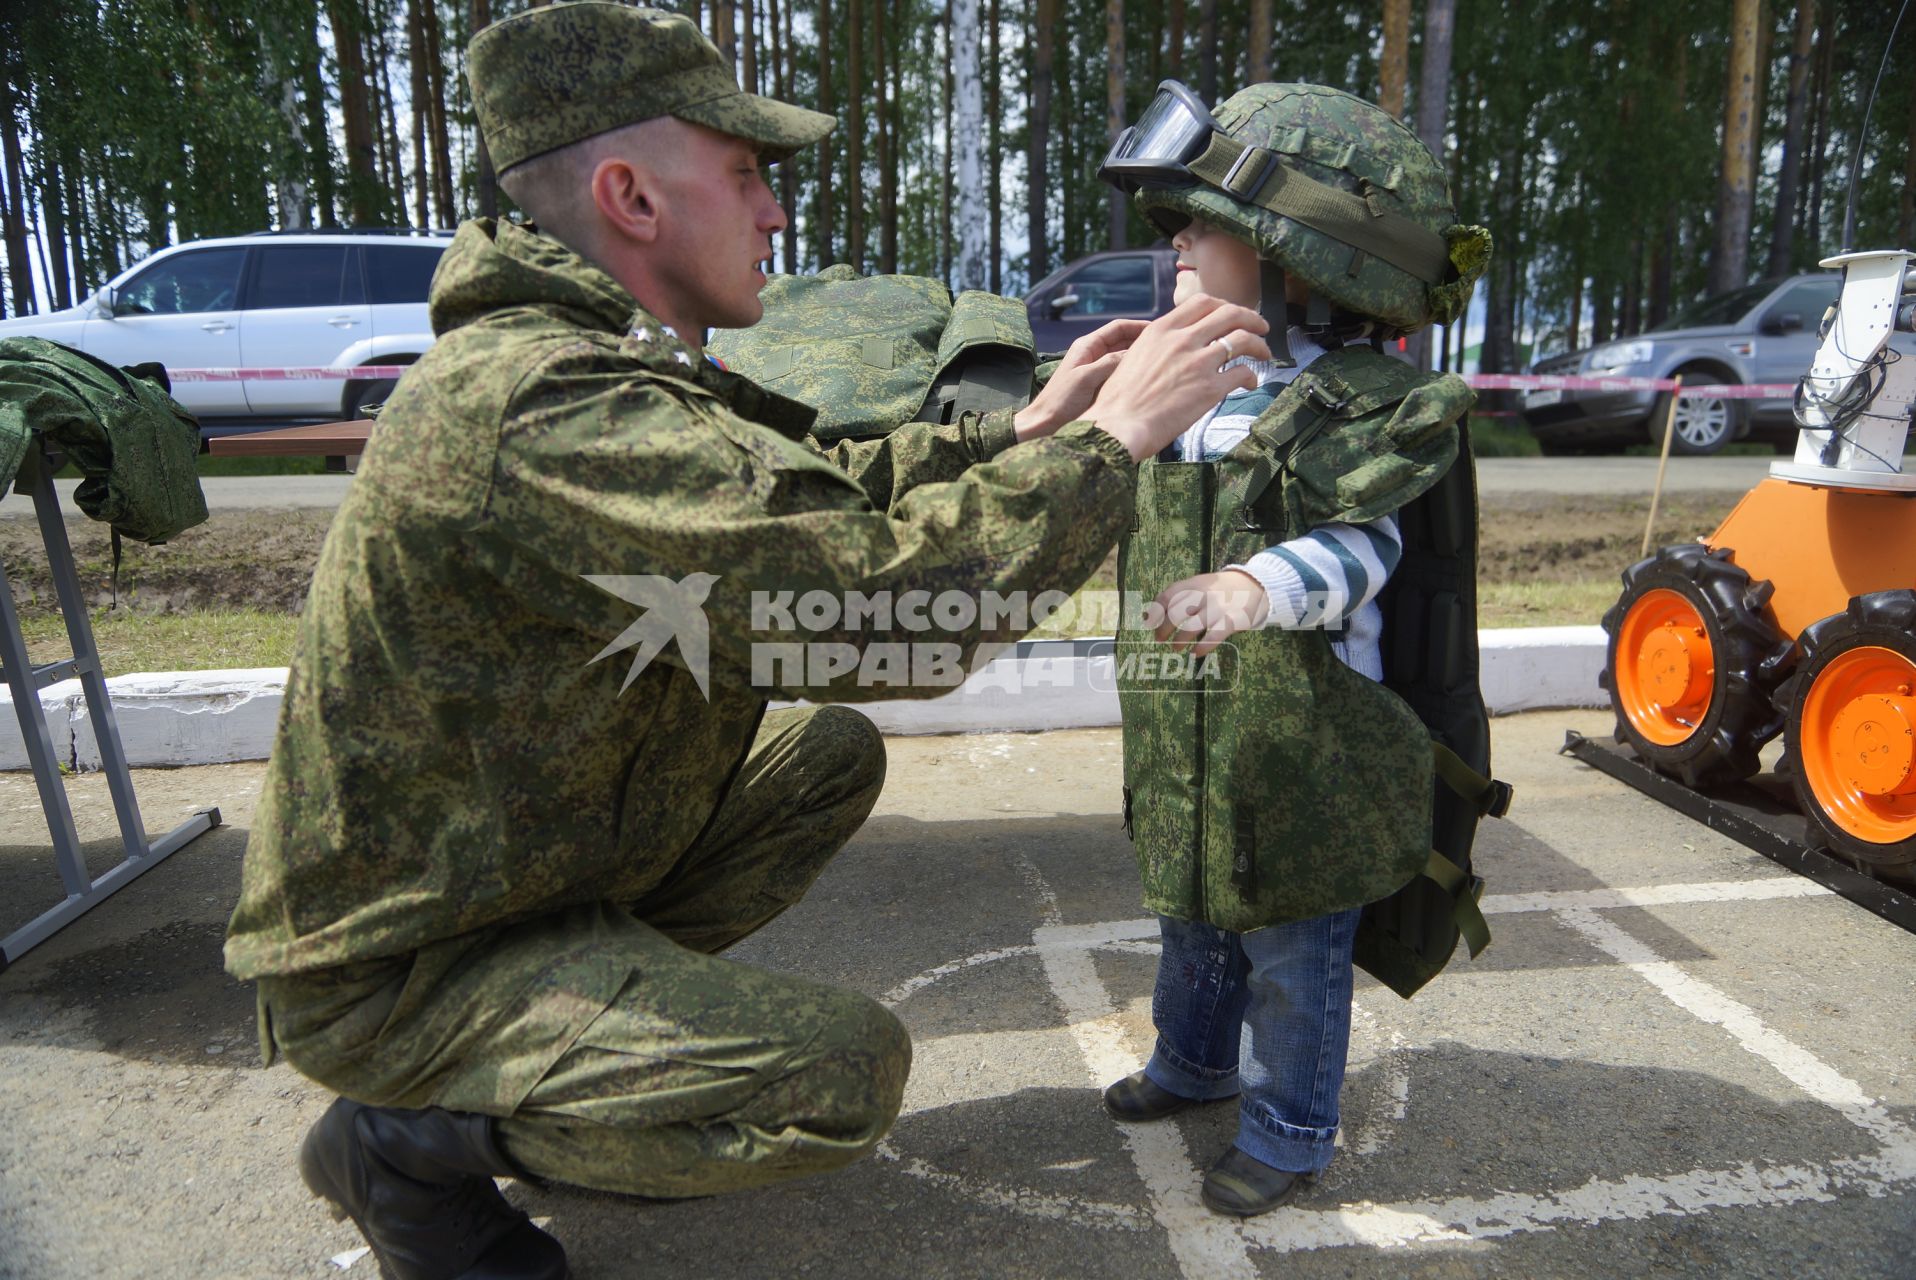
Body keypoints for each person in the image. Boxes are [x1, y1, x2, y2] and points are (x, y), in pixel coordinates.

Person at [222, 5, 1275, 1277]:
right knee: (832, 1077)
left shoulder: (598, 363)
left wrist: (1028, 428)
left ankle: (571, 1036)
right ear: (629, 195)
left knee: (822, 754)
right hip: (404, 959)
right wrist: (1113, 449)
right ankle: (406, 1140)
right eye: (743, 173)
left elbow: (807, 482)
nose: (773, 212)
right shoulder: (540, 403)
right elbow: (875, 615)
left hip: (513, 871)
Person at [1095, 80, 1492, 1216]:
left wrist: (1247, 585)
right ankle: (1191, 1061)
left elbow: (1361, 550)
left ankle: (1286, 1124)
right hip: (1195, 743)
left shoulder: (1349, 406)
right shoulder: (1187, 383)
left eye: (1199, 221)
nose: (1174, 239)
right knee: (1190, 919)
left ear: (1291, 250)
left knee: (1290, 961)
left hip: (1306, 763)